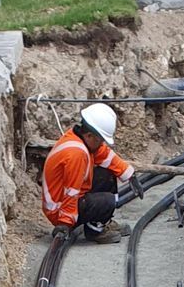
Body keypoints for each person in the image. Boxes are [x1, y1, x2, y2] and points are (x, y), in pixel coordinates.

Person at [40, 102, 135, 243]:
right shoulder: (77, 154)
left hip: (60, 200)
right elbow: (71, 192)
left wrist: (128, 173)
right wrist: (65, 223)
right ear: (90, 135)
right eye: (101, 140)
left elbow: (104, 154)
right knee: (107, 201)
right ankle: (95, 231)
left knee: (107, 174)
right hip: (59, 210)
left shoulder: (78, 137)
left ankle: (101, 221)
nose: (102, 144)